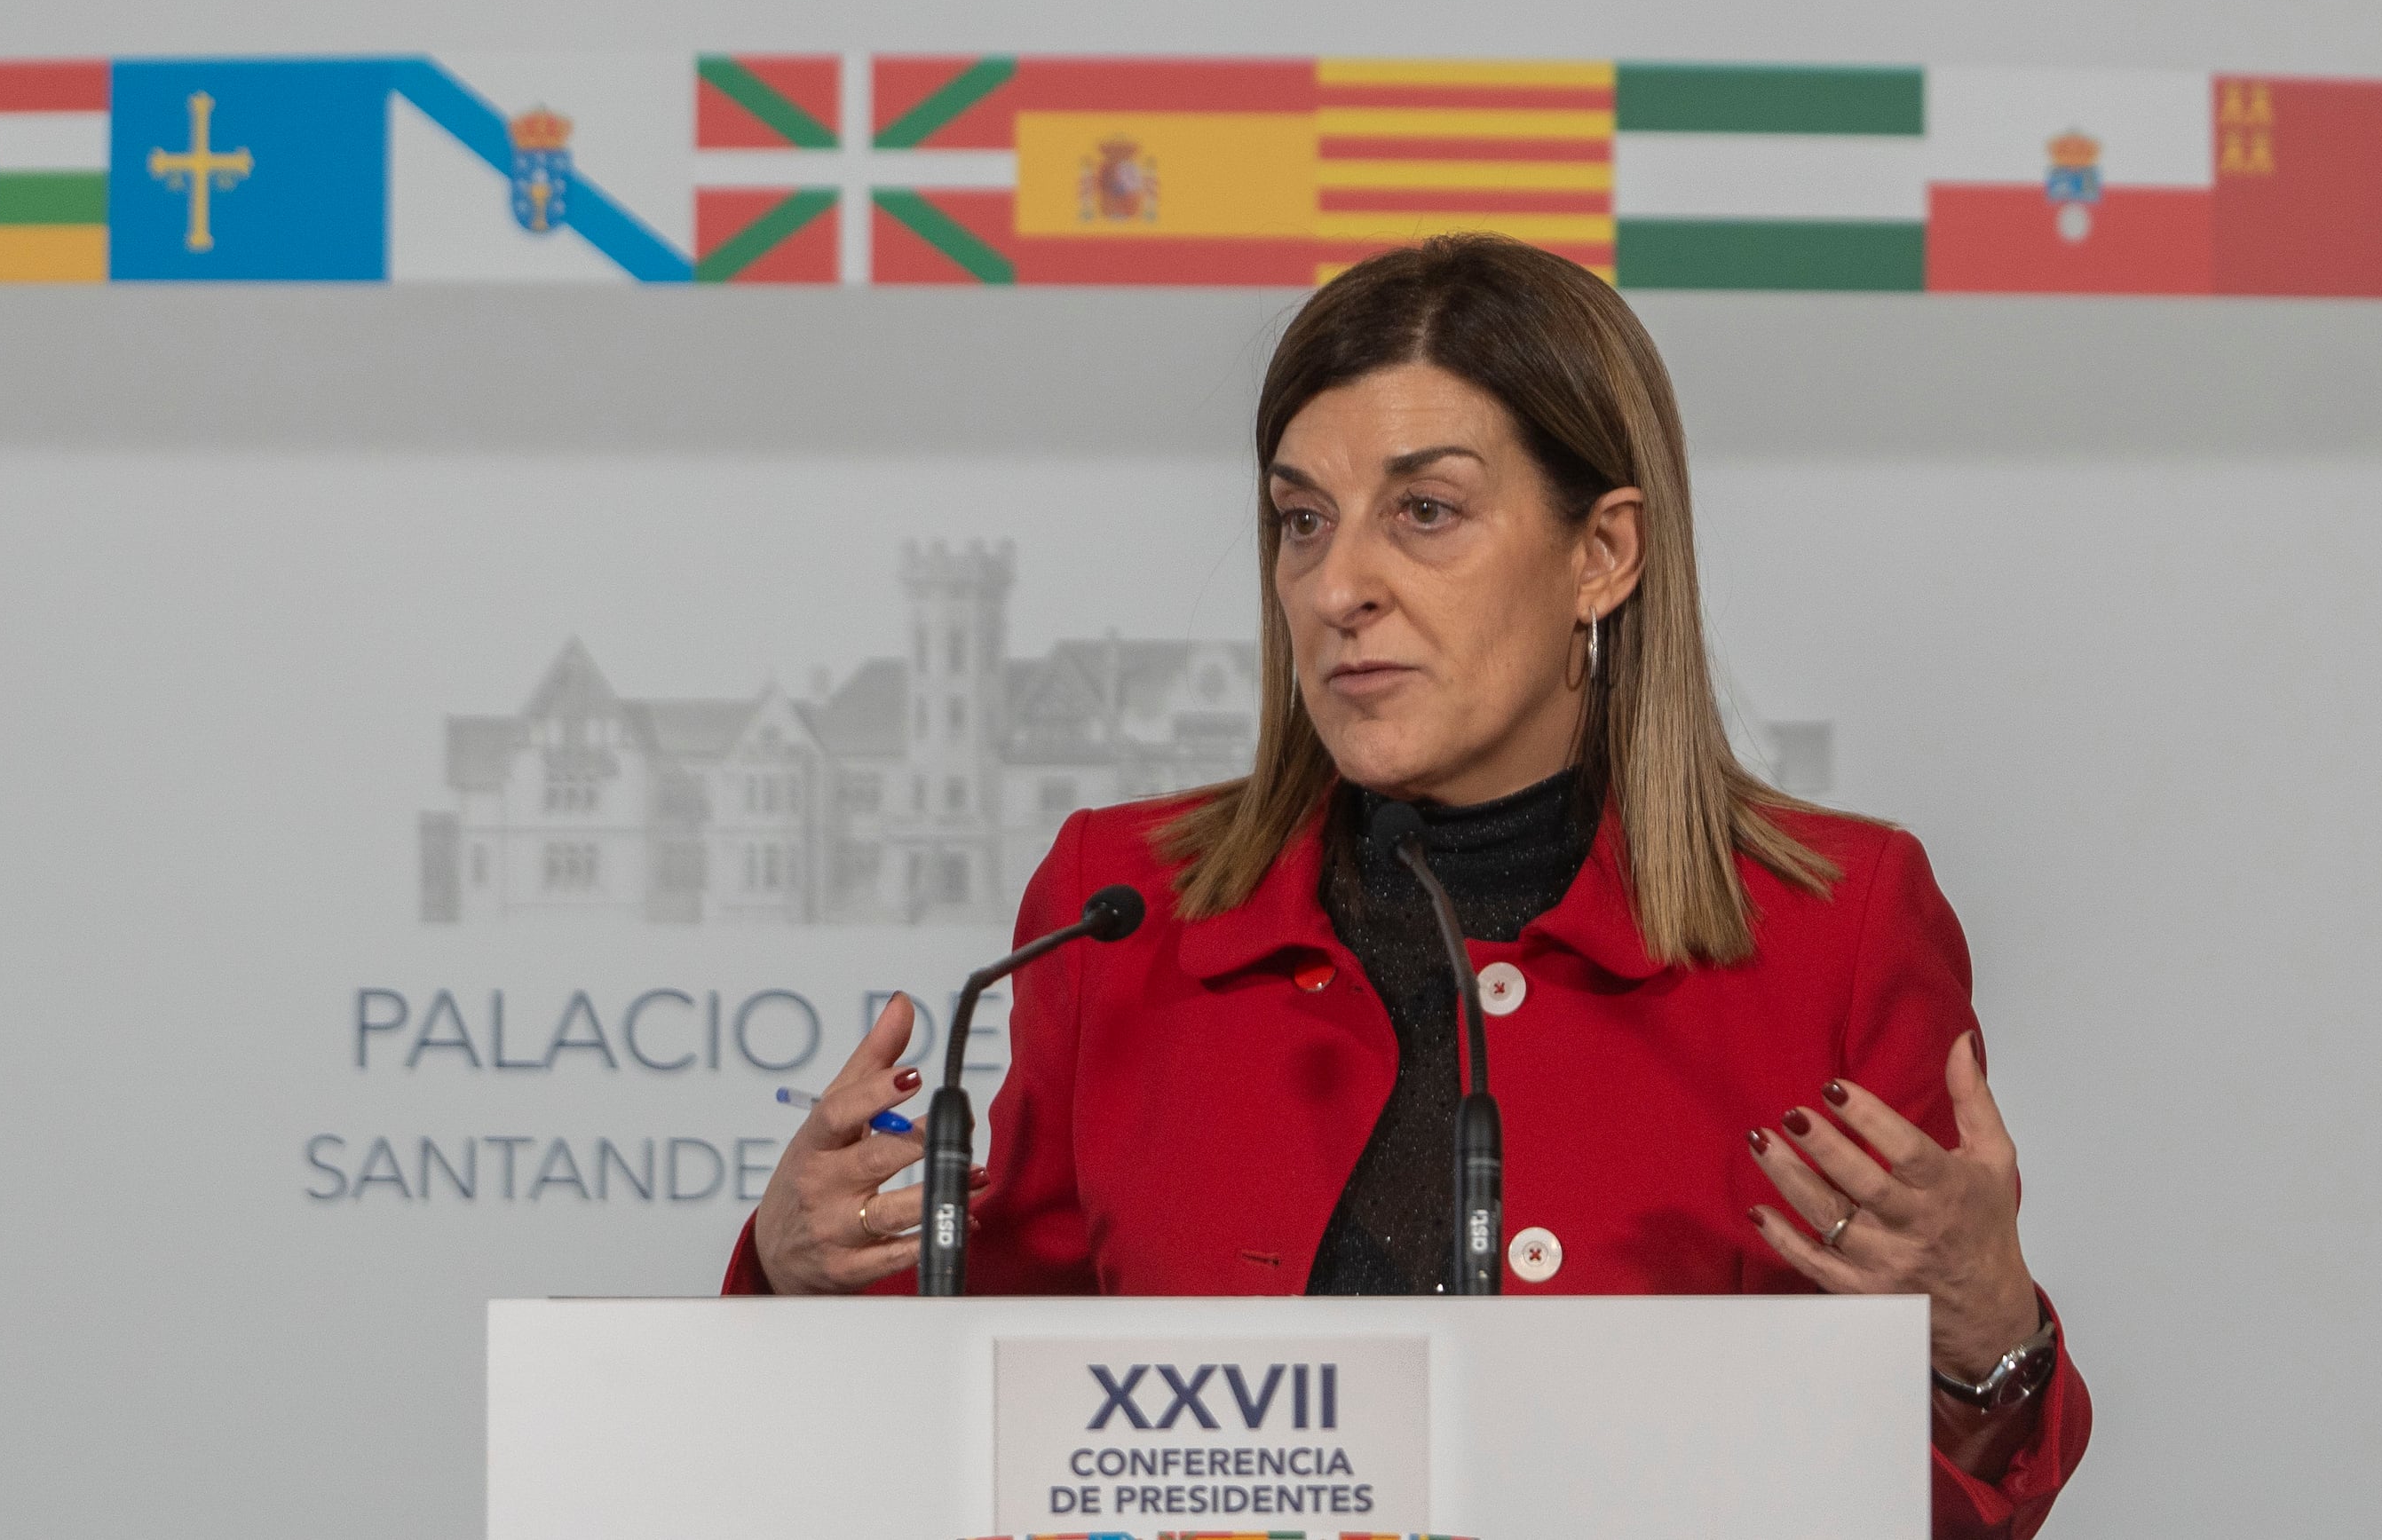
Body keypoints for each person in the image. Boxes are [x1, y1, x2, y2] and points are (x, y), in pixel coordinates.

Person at [730, 234, 2089, 1539]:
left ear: (1602, 554)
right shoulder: (1122, 909)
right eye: (1302, 520)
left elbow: (1931, 1510)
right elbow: (988, 1405)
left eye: (1423, 511)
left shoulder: (1834, 927)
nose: (1337, 585)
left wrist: (1990, 1341)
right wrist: (797, 1271)